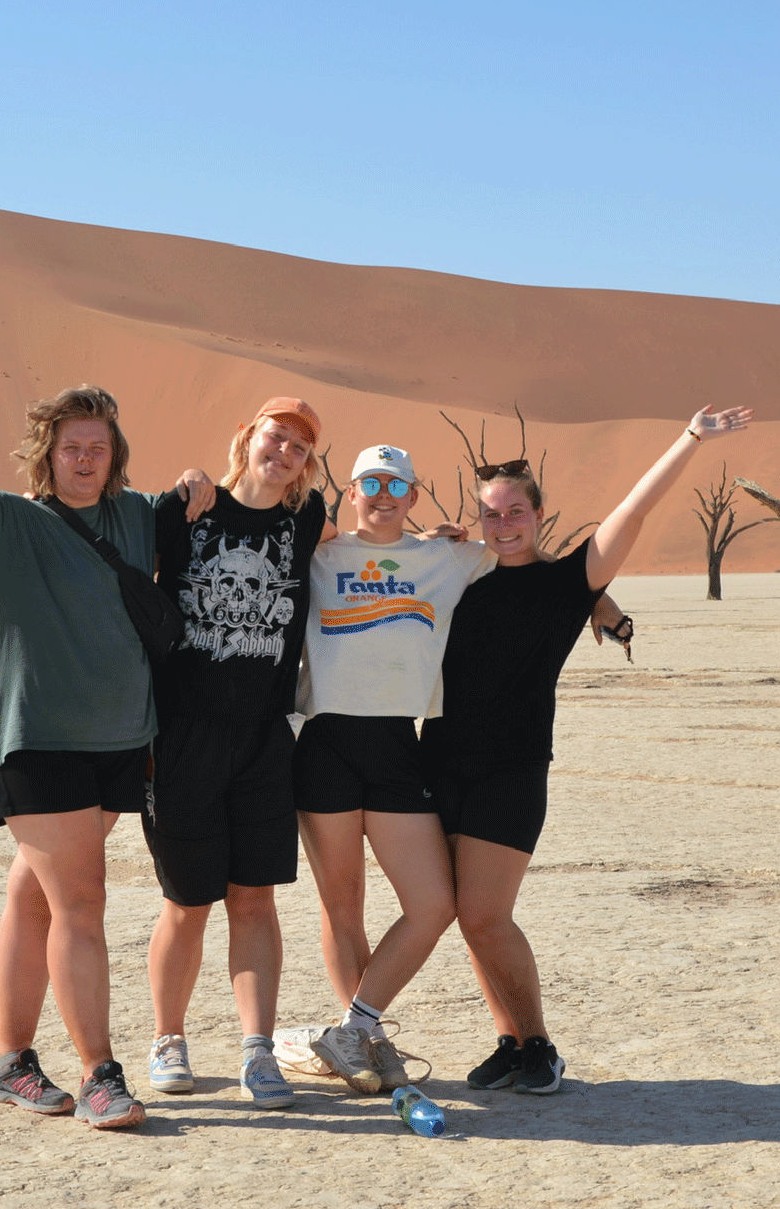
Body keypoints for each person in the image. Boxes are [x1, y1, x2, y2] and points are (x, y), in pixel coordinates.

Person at [0, 331, 211, 1132]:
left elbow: (199, 503)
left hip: (119, 737)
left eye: (98, 447)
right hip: (35, 736)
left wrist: (196, 481)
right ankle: (99, 1074)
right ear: (44, 455)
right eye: (70, 447)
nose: (84, 458)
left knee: (35, 888)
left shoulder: (134, 517)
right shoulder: (7, 525)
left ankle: (9, 1061)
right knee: (81, 899)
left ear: (115, 456)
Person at [425, 405, 753, 1095]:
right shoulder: (456, 575)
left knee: (486, 913)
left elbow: (634, 511)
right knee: (465, 915)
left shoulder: (570, 583)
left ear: (539, 515)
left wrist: (690, 438)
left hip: (511, 770)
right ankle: (509, 1042)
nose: (504, 523)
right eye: (491, 514)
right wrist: (436, 541)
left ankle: (539, 1043)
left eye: (516, 511)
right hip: (438, 762)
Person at [142, 397, 333, 1110]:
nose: (283, 451)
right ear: (249, 438)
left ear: (306, 465)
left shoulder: (304, 522)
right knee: (187, 903)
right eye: (275, 436)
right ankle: (168, 1039)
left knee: (254, 900)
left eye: (299, 447)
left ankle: (257, 1053)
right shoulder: (187, 510)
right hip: (183, 737)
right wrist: (191, 480)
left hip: (263, 740)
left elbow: (365, 550)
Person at [288, 444, 494, 1094]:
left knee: (432, 904)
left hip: (399, 746)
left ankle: (353, 1024)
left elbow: (524, 560)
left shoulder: (447, 557)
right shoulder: (319, 552)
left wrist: (602, 606)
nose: (382, 493)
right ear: (350, 491)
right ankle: (362, 1043)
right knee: (342, 903)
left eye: (396, 484)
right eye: (369, 482)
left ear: (413, 495)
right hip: (325, 740)